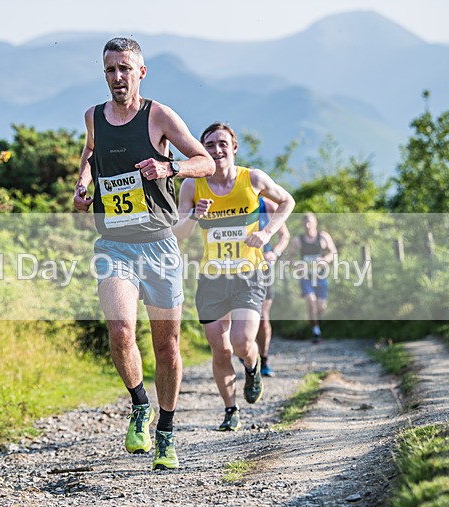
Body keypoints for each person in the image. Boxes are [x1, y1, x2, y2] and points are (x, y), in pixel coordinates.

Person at [73, 37, 214, 470]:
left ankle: (166, 433)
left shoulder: (160, 116)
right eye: (110, 70)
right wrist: (82, 184)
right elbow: (90, 152)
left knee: (167, 346)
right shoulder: (94, 116)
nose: (118, 77)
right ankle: (139, 404)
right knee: (120, 332)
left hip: (158, 244)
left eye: (125, 69)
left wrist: (169, 167)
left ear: (141, 72)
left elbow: (204, 161)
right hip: (113, 244)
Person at [173, 122, 294, 431]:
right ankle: (230, 409)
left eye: (222, 143)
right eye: (210, 144)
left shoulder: (251, 178)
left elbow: (287, 201)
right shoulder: (192, 186)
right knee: (221, 349)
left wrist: (267, 233)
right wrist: (194, 216)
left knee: (241, 342)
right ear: (203, 150)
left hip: (249, 275)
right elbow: (179, 234)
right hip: (212, 279)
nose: (217, 149)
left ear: (234, 148)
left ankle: (252, 365)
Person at [287, 213, 337, 343]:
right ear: (303, 225)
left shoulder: (323, 237)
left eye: (310, 222)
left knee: (321, 306)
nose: (308, 225)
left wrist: (325, 259)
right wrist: (297, 265)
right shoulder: (298, 240)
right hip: (306, 276)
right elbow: (289, 258)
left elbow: (333, 252)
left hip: (320, 275)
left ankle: (316, 323)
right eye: (305, 223)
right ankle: (315, 331)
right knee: (311, 300)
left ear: (316, 223)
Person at [255, 197, 290, 377]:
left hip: (262, 267)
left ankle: (264, 359)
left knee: (262, 317)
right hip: (234, 268)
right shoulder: (230, 200)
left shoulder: (267, 205)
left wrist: (274, 252)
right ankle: (244, 350)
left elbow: (285, 235)